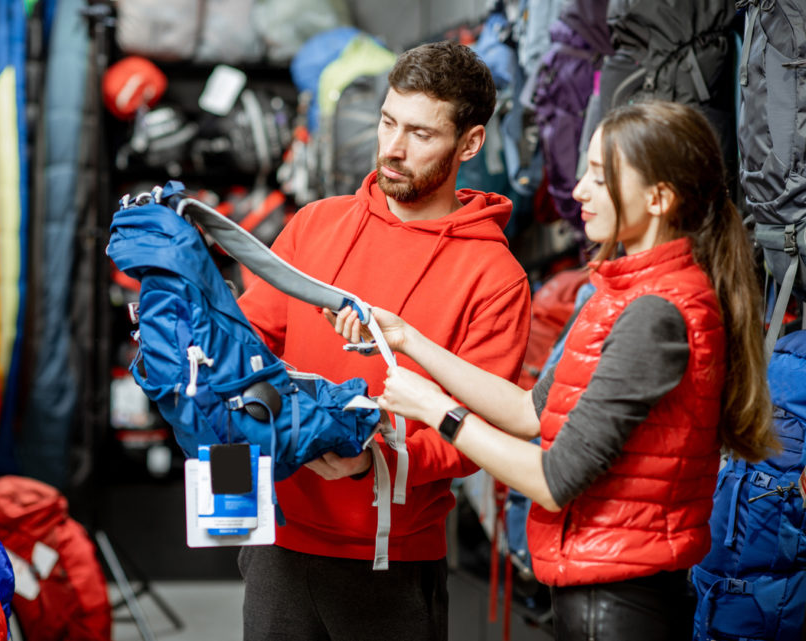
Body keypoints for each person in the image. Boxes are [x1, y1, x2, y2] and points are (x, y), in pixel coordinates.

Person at [333, 100, 779, 640]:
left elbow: (552, 482)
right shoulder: (617, 291)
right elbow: (528, 412)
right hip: (600, 590)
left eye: (600, 177)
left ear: (659, 199)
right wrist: (409, 339)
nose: (579, 191)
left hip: (617, 604)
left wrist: (437, 410)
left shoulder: (655, 315)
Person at [236, 40, 532, 641]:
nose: (393, 149)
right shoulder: (314, 223)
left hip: (391, 565)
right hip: (278, 544)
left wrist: (372, 462)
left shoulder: (496, 277)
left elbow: (478, 431)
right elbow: (249, 342)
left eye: (421, 134)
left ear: (469, 144)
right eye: (388, 122)